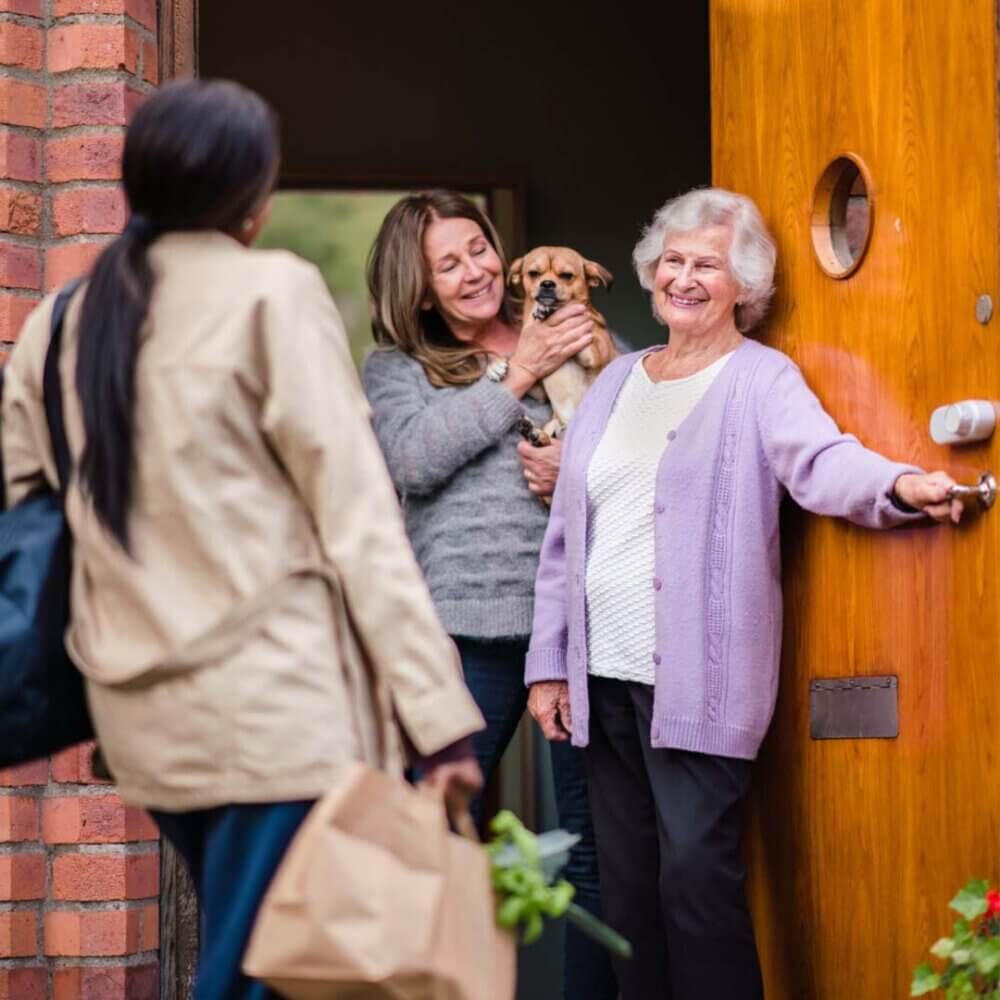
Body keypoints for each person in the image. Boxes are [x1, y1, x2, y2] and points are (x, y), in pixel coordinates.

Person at [1, 81, 484, 1000]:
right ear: (251, 199)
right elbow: (357, 519)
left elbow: (27, 504)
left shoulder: (64, 317)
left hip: (143, 718)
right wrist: (440, 717)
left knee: (263, 952)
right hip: (275, 711)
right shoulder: (274, 291)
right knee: (266, 972)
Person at [525, 187, 962, 1000]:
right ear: (651, 273)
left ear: (744, 289)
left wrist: (900, 485)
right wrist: (549, 664)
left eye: (708, 265)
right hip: (604, 681)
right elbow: (564, 542)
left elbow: (822, 460)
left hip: (699, 683)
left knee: (696, 884)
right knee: (627, 894)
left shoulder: (761, 379)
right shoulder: (615, 381)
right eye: (673, 261)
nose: (684, 278)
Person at [362, 190, 617, 1000]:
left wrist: (574, 477)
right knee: (429, 837)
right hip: (469, 632)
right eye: (449, 262)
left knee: (594, 848)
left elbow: (649, 442)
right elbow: (413, 458)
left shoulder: (578, 324)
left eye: (479, 249)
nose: (475, 271)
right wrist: (522, 370)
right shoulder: (398, 369)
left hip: (584, 628)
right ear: (420, 284)